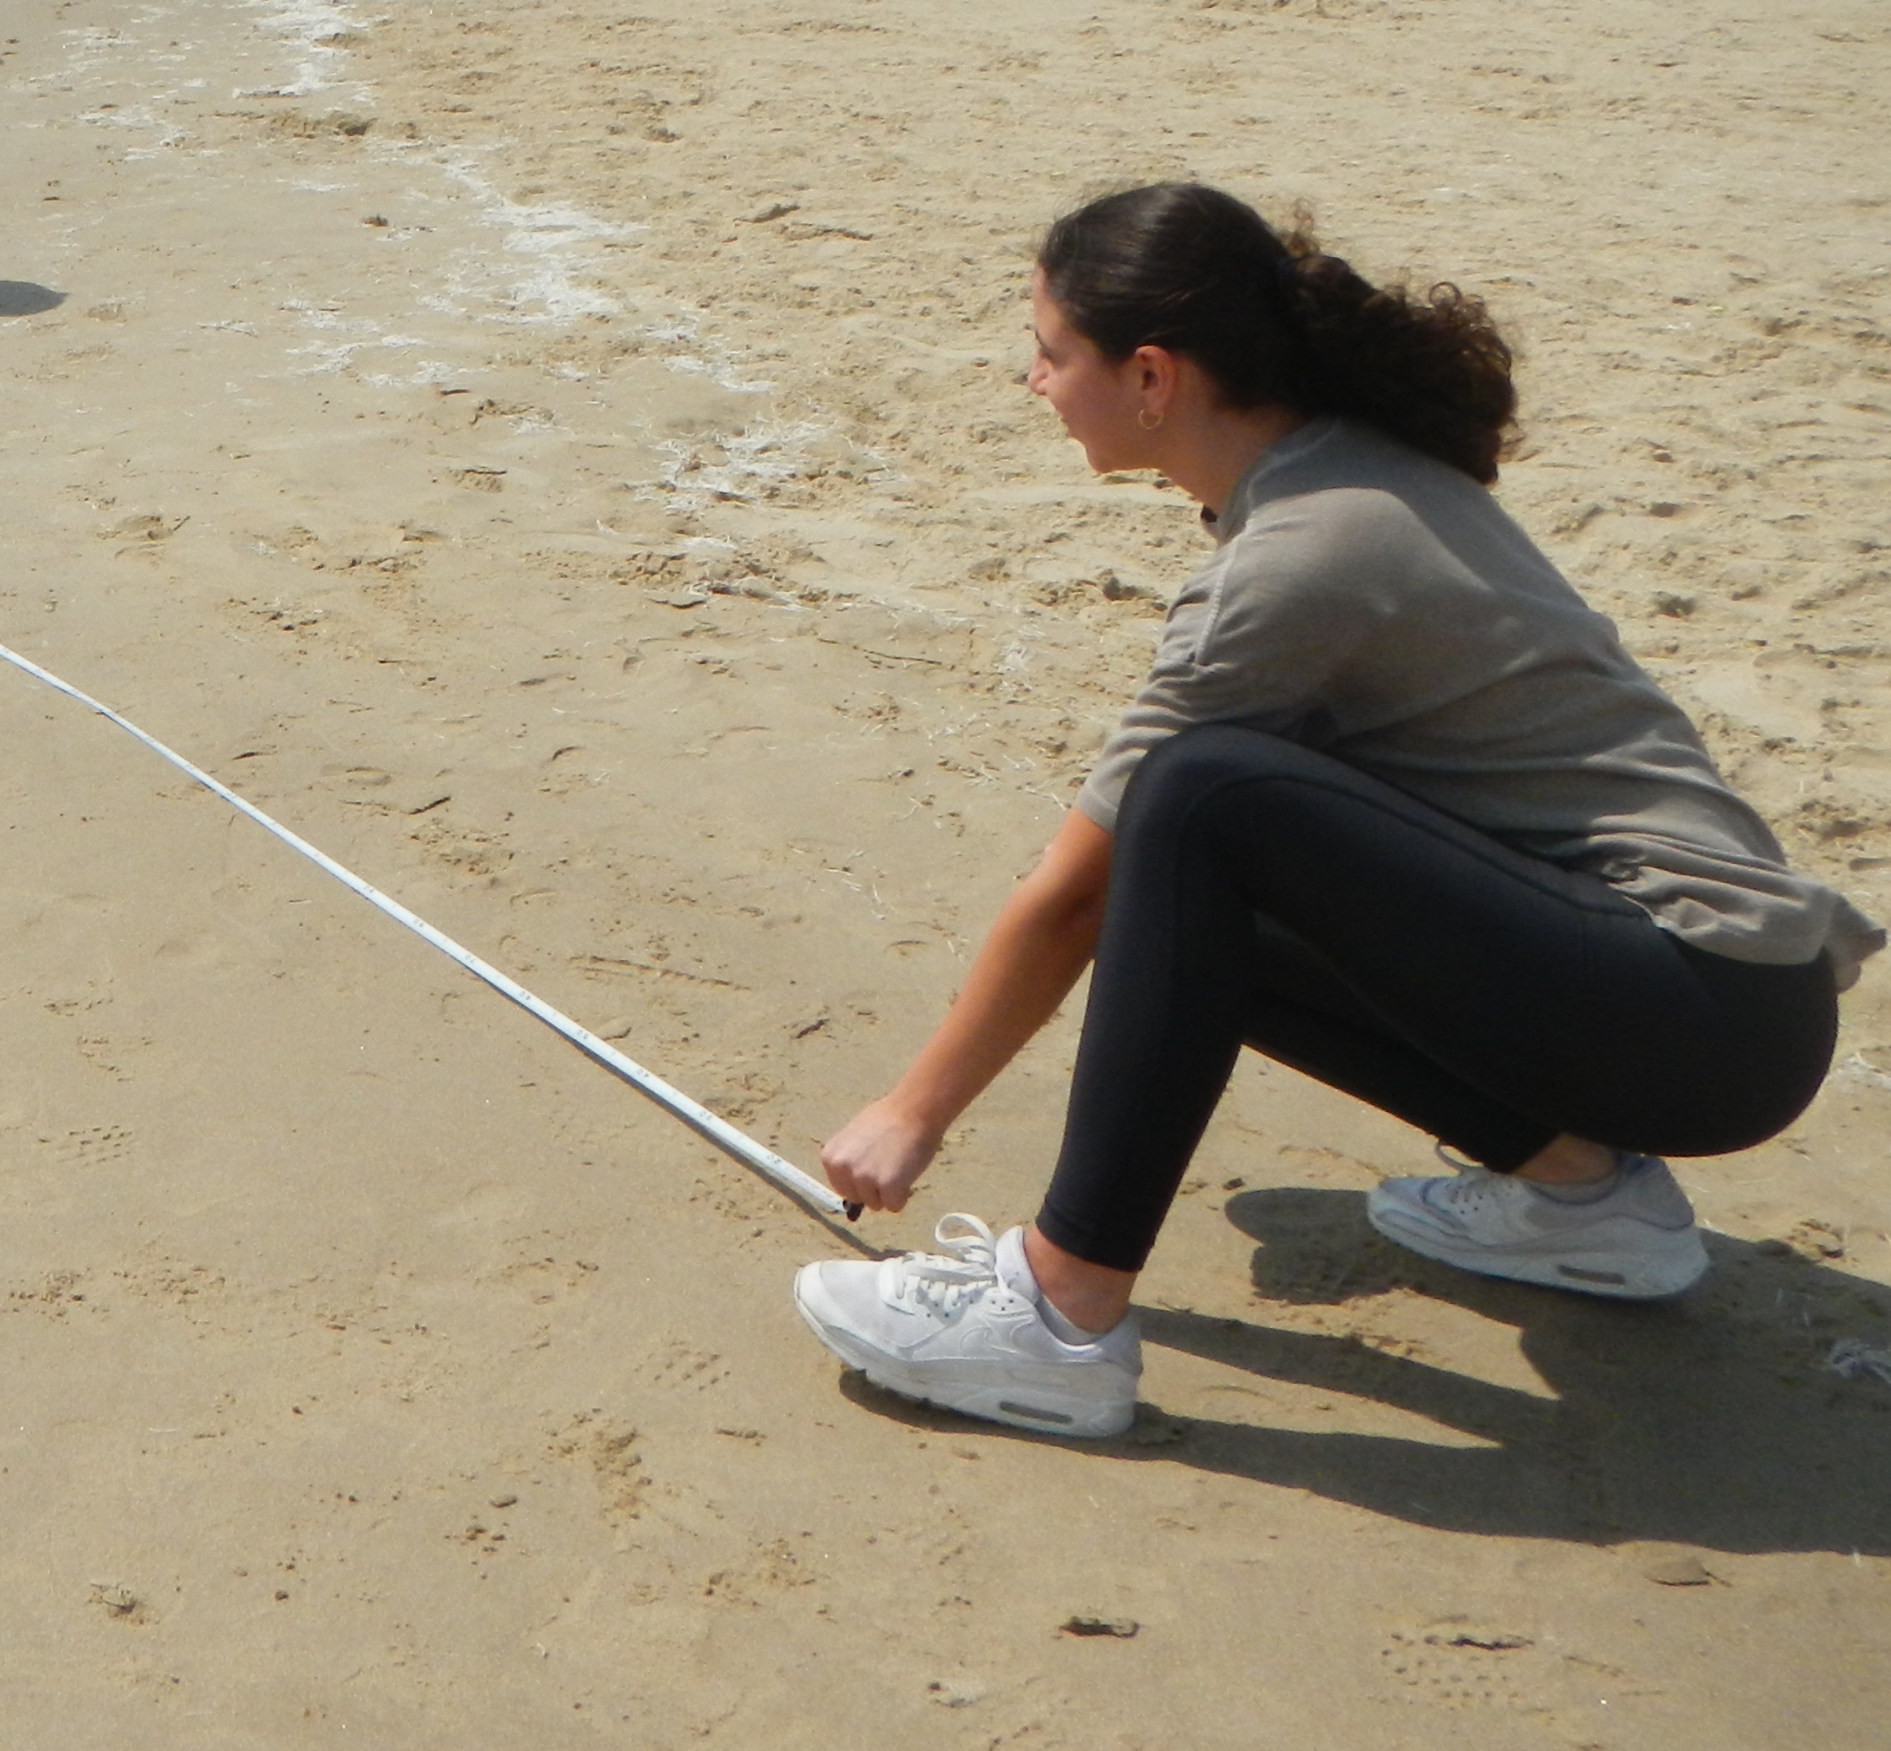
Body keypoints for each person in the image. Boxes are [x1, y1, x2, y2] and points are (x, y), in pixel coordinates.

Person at [794, 184, 1870, 1440]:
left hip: (1695, 1010)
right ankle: (1585, 1200)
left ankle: (1061, 1315)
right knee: (1203, 898)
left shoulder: (1299, 559)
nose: (1028, 380)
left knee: (1197, 804)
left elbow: (1078, 888)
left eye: (1047, 352)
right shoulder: (1344, 465)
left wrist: (909, 1114)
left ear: (1151, 376)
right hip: (1704, 1004)